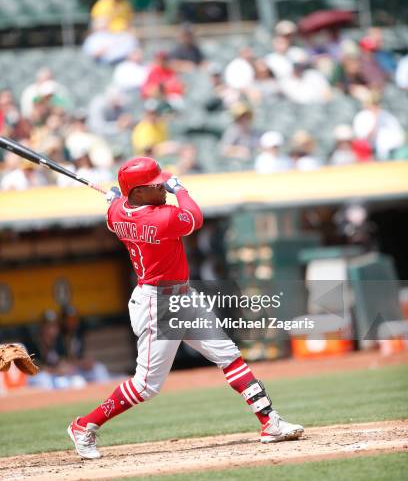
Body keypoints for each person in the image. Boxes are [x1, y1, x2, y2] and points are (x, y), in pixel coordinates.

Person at [67, 156, 304, 458]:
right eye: (156, 186)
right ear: (138, 193)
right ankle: (84, 425)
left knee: (229, 356)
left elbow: (119, 209)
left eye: (163, 183)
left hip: (183, 296)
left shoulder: (116, 214)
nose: (164, 186)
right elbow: (195, 216)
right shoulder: (160, 217)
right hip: (158, 305)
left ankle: (270, 422)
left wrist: (118, 199)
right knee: (146, 386)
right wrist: (181, 189)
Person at [352, 88, 404, 160]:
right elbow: (363, 139)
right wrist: (376, 120)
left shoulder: (386, 115)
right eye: (373, 103)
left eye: (377, 103)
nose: (375, 106)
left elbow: (398, 134)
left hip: (393, 150)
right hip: (371, 152)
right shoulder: (362, 116)